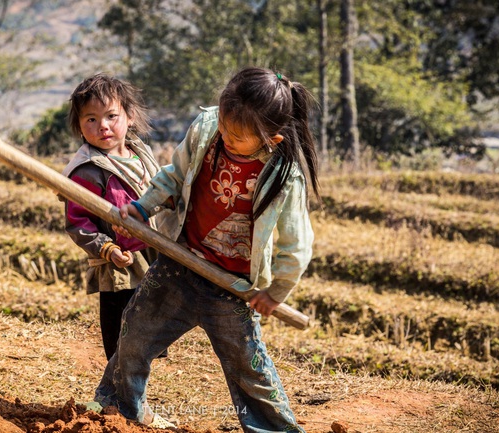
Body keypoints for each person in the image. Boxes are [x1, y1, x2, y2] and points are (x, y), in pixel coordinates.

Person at [93, 67, 321, 432]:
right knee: (134, 333)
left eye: (239, 136)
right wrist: (142, 206)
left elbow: (296, 247)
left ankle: (277, 430)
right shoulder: (207, 129)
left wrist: (275, 292)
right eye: (226, 127)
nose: (227, 137)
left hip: (232, 289)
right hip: (179, 264)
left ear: (272, 139)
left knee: (250, 369)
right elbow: (174, 174)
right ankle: (118, 410)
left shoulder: (283, 176)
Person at [61, 73, 163, 361]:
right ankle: (117, 397)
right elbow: (78, 221)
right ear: (80, 127)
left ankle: (131, 395)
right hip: (120, 263)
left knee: (148, 334)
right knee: (121, 338)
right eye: (90, 119)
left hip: (153, 255)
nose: (102, 126)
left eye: (110, 116)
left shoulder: (141, 154)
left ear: (129, 116)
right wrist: (107, 248)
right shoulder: (87, 171)